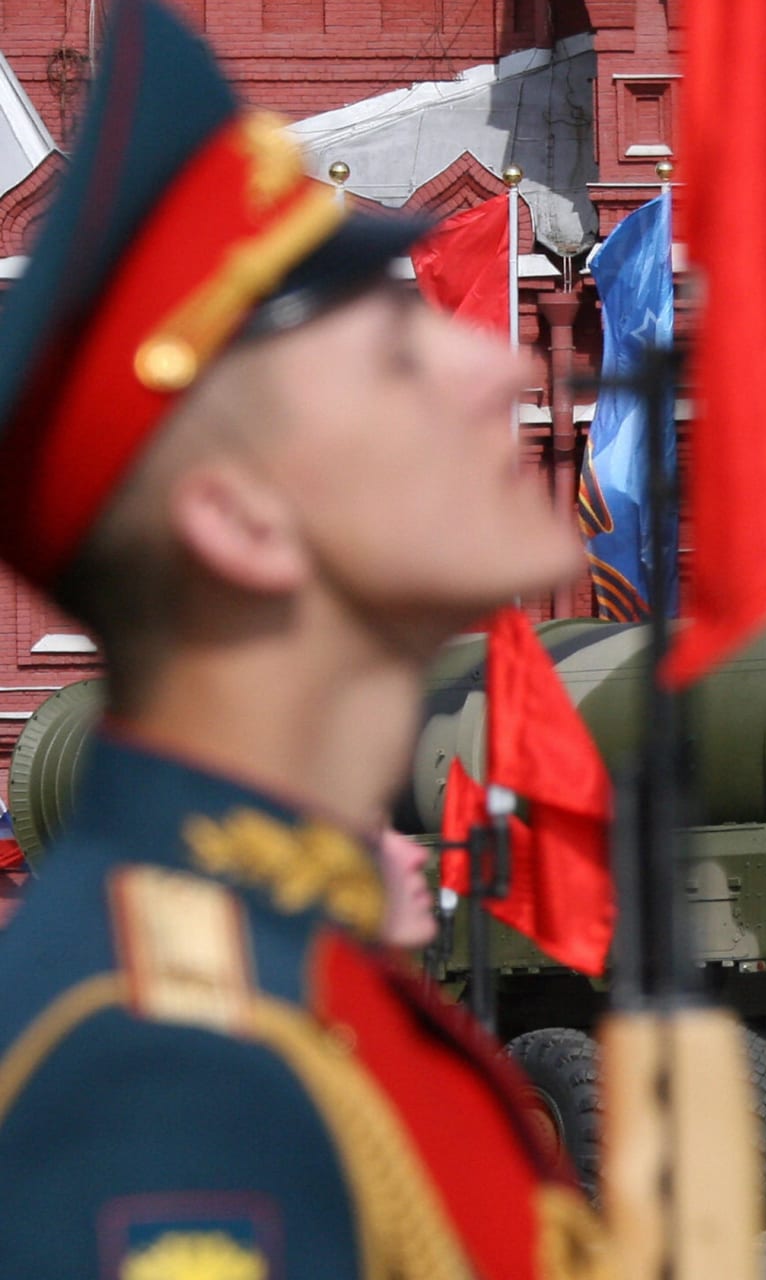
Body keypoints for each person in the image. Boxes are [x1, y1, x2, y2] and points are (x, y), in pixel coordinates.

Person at [0, 2, 605, 1275]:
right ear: (241, 518)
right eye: (397, 353)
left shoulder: (314, 1001)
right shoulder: (169, 1064)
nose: (494, 375)